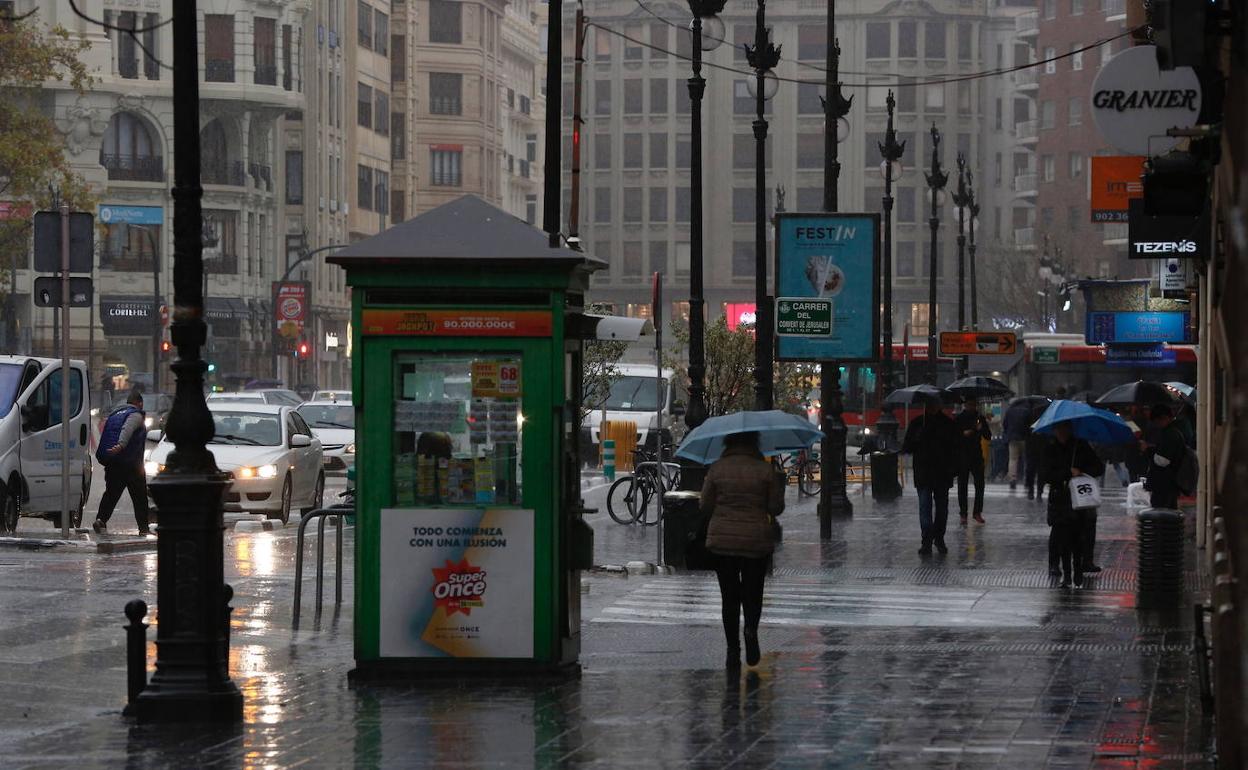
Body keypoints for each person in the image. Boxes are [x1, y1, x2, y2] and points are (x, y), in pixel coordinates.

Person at [701, 431, 785, 669]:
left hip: (723, 541)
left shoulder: (717, 469)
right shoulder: (764, 470)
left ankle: (732, 650)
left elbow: (705, 506)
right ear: (754, 442)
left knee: (729, 598)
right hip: (755, 540)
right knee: (753, 592)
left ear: (727, 442)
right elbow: (775, 508)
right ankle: (750, 630)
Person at [1041, 421, 1104, 588]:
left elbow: (1098, 467)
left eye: (1064, 429)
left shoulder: (1080, 445)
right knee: (1060, 537)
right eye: (1058, 429)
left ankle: (1078, 573)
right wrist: (1067, 473)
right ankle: (1061, 571)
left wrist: (1081, 471)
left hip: (1079, 500)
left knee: (1078, 539)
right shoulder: (1050, 448)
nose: (1061, 432)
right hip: (1059, 499)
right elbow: (1046, 474)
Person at [902, 399, 959, 556]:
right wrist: (916, 439)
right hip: (924, 472)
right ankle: (927, 540)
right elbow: (907, 447)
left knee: (941, 510)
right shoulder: (918, 423)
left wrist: (953, 469)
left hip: (941, 472)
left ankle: (938, 538)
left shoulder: (947, 424)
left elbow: (955, 448)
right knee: (925, 507)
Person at [93, 389, 150, 535]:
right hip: (132, 465)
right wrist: (121, 445)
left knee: (111, 494)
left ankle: (100, 520)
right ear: (140, 403)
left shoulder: (116, 415)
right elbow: (127, 429)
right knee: (140, 498)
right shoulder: (135, 415)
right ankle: (144, 529)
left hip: (113, 464)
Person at [955, 397, 992, 525]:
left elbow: (988, 436)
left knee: (980, 484)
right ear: (965, 405)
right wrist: (966, 432)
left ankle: (977, 512)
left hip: (976, 454)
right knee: (962, 485)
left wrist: (981, 428)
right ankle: (963, 513)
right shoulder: (959, 418)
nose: (972, 407)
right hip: (963, 455)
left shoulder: (979, 418)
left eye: (974, 405)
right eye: (970, 404)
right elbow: (955, 435)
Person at [1144, 403, 1186, 509]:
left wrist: (1148, 449)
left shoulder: (1170, 434)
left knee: (1162, 512)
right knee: (1169, 512)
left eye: (1157, 421)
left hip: (1164, 483)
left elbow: (1162, 461)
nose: (1156, 425)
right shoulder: (1173, 432)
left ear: (1163, 418)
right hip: (1170, 483)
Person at [1002, 399, 1033, 491]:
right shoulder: (1027, 411)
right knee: (1026, 459)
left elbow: (1005, 425)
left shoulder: (1009, 411)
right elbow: (1030, 425)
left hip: (1012, 438)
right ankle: (1027, 479)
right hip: (1025, 438)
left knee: (1013, 459)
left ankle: (1012, 479)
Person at [1024, 402, 1051, 500]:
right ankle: (1036, 491)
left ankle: (1036, 491)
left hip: (1036, 447)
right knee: (1037, 470)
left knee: (1035, 470)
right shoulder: (1034, 416)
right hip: (1036, 447)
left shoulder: (1032, 415)